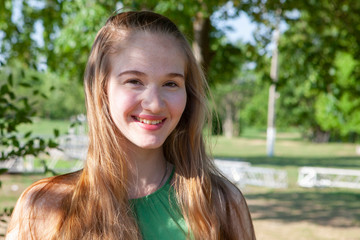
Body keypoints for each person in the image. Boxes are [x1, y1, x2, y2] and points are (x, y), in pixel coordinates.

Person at [6, 11, 256, 240]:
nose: (155, 104)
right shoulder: (44, 206)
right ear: (101, 90)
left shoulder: (221, 204)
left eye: (171, 84)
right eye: (134, 81)